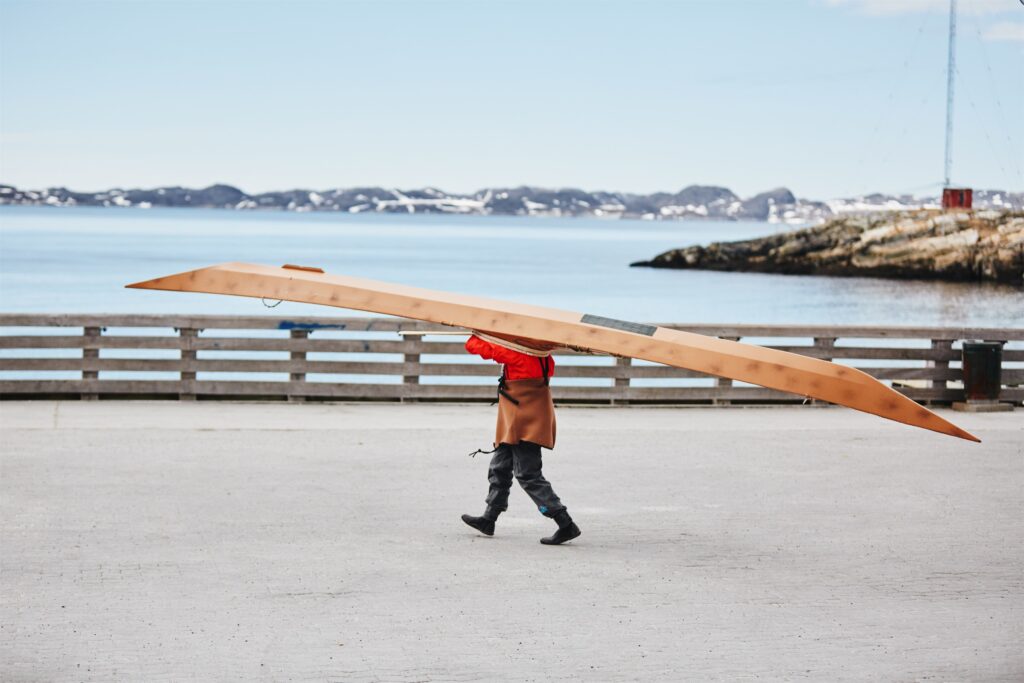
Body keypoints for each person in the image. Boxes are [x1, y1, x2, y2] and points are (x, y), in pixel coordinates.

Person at [460, 333, 581, 545]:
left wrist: (480, 331)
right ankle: (489, 519)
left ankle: (565, 523)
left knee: (528, 474)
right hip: (523, 419)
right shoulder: (545, 358)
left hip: (523, 423)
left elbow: (473, 346)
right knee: (500, 467)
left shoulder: (518, 356)